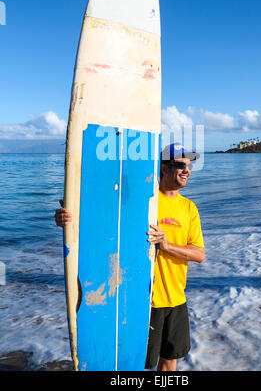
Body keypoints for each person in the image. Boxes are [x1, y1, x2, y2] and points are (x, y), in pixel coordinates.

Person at [55, 143, 205, 371]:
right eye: (181, 165)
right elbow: (103, 222)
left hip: (176, 300)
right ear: (163, 168)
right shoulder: (141, 200)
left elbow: (199, 254)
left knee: (169, 360)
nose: (187, 170)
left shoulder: (189, 208)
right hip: (143, 301)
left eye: (190, 165)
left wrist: (166, 245)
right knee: (139, 365)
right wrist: (69, 218)